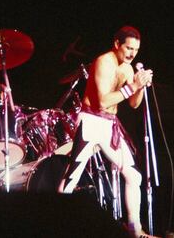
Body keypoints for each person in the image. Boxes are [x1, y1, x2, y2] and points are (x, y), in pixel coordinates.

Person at [58, 26, 154, 238]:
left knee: (133, 175)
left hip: (109, 124)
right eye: (128, 48)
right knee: (73, 176)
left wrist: (141, 86)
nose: (132, 53)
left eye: (136, 50)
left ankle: (135, 230)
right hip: (91, 121)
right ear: (117, 44)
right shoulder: (104, 62)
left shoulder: (128, 68)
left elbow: (134, 104)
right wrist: (132, 87)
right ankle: (56, 224)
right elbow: (102, 102)